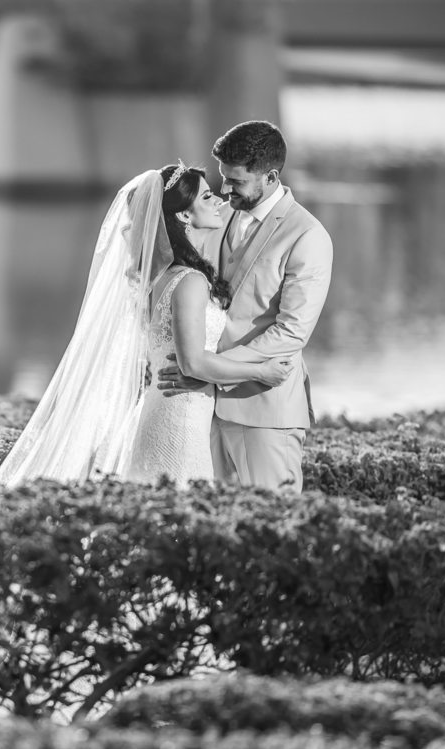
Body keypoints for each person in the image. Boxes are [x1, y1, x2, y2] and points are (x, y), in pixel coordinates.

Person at [0, 160, 293, 488]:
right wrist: (260, 371)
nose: (220, 201)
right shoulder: (189, 281)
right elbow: (193, 362)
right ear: (183, 215)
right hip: (178, 420)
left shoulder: (157, 278)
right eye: (207, 198)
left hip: (169, 408)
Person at [157, 120, 333, 493]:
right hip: (199, 407)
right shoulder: (216, 215)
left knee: (272, 525)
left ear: (269, 177)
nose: (224, 189)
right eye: (223, 178)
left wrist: (207, 367)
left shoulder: (308, 236)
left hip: (263, 408)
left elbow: (290, 333)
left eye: (235, 181)